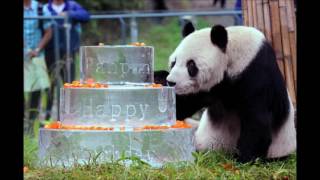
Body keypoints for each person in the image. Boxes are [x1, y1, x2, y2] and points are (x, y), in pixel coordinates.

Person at [43, 0, 90, 120]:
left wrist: (70, 14)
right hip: (50, 51)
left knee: (68, 82)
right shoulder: (46, 8)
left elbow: (86, 16)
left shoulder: (72, 6)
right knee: (50, 83)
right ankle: (48, 113)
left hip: (69, 52)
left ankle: (70, 112)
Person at [24, 0, 52, 135]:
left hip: (37, 55)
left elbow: (48, 31)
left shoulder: (41, 9)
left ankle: (31, 124)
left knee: (36, 90)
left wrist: (36, 49)